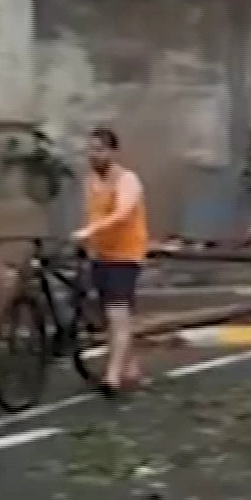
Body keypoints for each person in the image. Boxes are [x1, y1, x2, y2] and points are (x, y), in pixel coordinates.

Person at [72, 127, 149, 395]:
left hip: (126, 256)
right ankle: (131, 365)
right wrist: (87, 242)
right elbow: (91, 214)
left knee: (117, 313)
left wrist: (89, 232)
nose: (93, 155)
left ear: (113, 152)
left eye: (99, 149)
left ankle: (112, 377)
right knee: (111, 316)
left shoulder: (127, 180)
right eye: (90, 150)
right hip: (101, 255)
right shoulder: (91, 180)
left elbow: (122, 213)